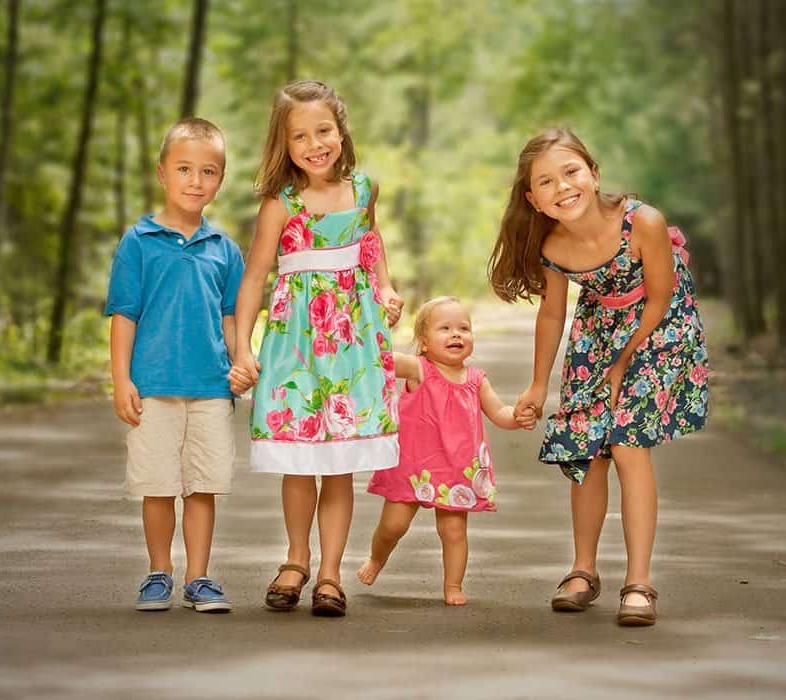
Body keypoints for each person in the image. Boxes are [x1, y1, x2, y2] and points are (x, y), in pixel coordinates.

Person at [489, 127, 708, 626]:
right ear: (533, 199)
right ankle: (583, 571)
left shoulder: (642, 222)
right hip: (599, 327)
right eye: (546, 182)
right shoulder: (551, 243)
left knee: (628, 442)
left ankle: (640, 582)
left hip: (660, 326)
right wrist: (538, 385)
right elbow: (551, 315)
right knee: (585, 448)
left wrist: (623, 363)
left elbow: (660, 298)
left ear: (593, 173)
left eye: (571, 172)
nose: (562, 187)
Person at [229, 80, 403, 617]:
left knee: (340, 463)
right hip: (296, 344)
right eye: (300, 136)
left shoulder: (366, 190)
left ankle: (331, 573)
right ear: (285, 145)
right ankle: (296, 557)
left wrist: (387, 289)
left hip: (353, 342)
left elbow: (371, 248)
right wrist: (242, 347)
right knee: (301, 462)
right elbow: (255, 278)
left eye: (322, 130)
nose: (314, 144)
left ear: (341, 130)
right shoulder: (281, 206)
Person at [105, 117, 244, 613]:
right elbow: (125, 315)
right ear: (162, 172)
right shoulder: (138, 242)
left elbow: (232, 317)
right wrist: (121, 379)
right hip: (154, 386)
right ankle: (158, 572)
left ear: (220, 180)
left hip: (210, 387)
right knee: (158, 485)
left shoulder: (224, 249)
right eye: (184, 169)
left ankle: (200, 577)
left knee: (203, 484)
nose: (195, 181)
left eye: (208, 171)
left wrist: (243, 360)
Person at [357, 297, 536, 605]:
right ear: (423, 343)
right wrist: (379, 322)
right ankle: (376, 558)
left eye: (464, 328)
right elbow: (381, 357)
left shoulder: (477, 380)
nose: (456, 335)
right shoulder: (418, 369)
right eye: (445, 328)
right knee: (393, 526)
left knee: (453, 532)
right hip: (413, 467)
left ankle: (453, 585)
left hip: (456, 470)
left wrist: (517, 417)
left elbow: (499, 413)